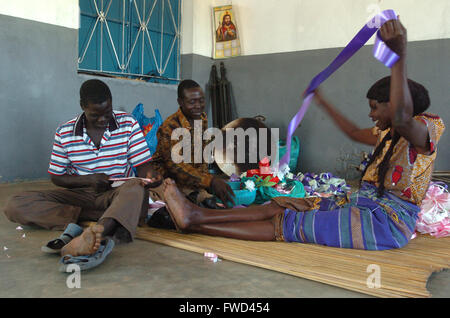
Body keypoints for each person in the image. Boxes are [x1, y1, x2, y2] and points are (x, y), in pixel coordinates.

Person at [157, 19, 445, 250]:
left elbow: (401, 116)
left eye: (375, 109)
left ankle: (196, 222)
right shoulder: (388, 134)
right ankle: (197, 215)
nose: (371, 115)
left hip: (385, 222)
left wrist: (398, 58)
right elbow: (353, 132)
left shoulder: (424, 130)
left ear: (394, 105)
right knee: (280, 203)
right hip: (363, 204)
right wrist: (320, 100)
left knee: (287, 223)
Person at [4, 79, 162, 260]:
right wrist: (89, 180)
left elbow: (143, 165)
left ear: (111, 103)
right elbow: (57, 177)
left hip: (118, 193)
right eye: (95, 115)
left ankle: (95, 235)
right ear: (82, 107)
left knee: (136, 188)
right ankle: (110, 219)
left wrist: (150, 175)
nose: (103, 119)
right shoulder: (65, 132)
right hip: (82, 196)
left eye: (107, 113)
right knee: (15, 204)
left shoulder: (128, 123)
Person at [148, 79, 235, 208]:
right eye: (192, 102)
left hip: (191, 178)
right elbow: (176, 167)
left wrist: (207, 182)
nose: (198, 106)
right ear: (180, 102)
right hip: (168, 179)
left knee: (217, 197)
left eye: (201, 100)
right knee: (200, 204)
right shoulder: (170, 127)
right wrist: (209, 181)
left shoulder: (201, 118)